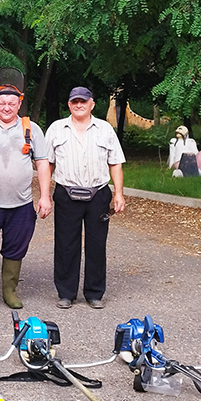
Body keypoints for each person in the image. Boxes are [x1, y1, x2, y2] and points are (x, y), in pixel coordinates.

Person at [0, 85, 52, 311]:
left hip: (21, 204)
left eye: (12, 103)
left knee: (16, 248)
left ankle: (9, 291)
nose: (7, 107)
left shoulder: (32, 129)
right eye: (2, 103)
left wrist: (45, 196)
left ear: (19, 104)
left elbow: (43, 163)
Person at [44, 86, 126, 310]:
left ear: (92, 104)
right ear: (69, 105)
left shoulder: (105, 129)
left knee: (97, 245)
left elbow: (115, 162)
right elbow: (46, 164)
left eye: (83, 101)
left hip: (98, 194)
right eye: (74, 102)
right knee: (65, 245)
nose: (79, 105)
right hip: (66, 194)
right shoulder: (56, 129)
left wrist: (118, 193)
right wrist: (44, 195)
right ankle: (66, 293)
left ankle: (94, 293)